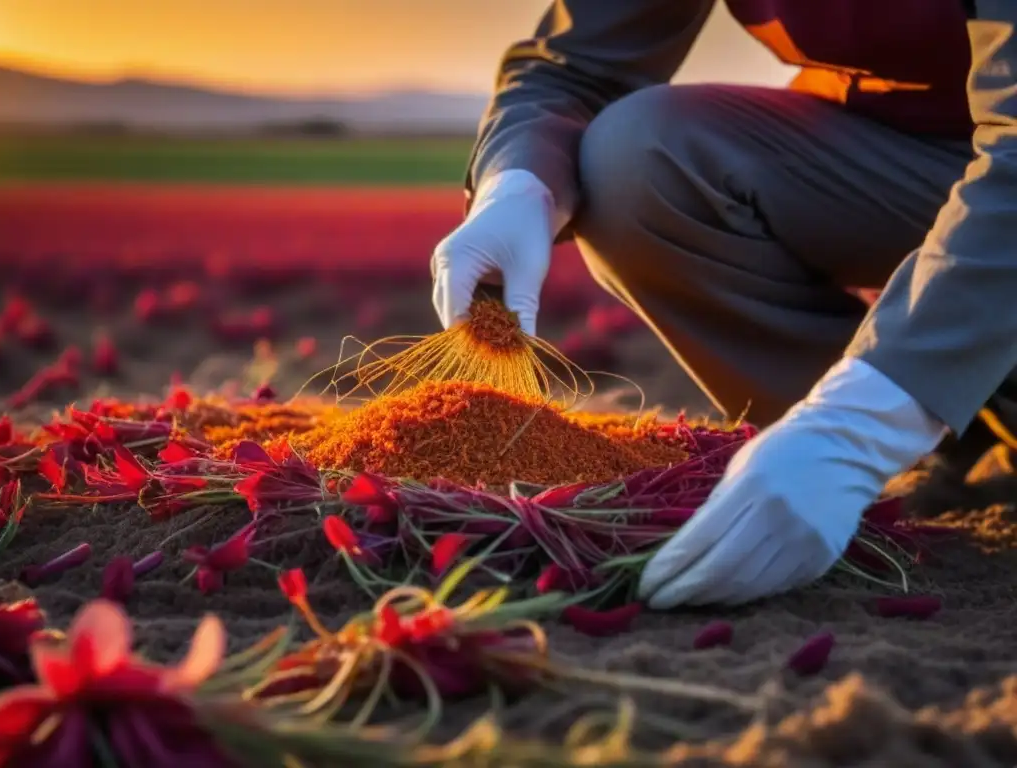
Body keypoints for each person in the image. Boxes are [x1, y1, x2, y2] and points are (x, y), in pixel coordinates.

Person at [430, 1, 1017, 609]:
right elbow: (576, 65)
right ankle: (940, 430)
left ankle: (904, 411)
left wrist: (862, 429)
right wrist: (520, 183)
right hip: (901, 157)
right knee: (638, 156)